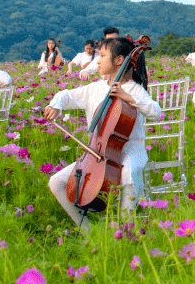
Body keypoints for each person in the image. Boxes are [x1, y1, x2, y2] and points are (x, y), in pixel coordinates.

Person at [44, 37, 161, 231]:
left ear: (119, 60)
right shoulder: (95, 88)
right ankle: (89, 232)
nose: (97, 61)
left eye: (103, 56)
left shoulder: (135, 89)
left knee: (128, 173)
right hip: (98, 153)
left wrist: (129, 98)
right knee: (57, 182)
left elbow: (156, 112)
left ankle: (126, 228)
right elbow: (67, 95)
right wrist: (56, 104)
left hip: (131, 148)